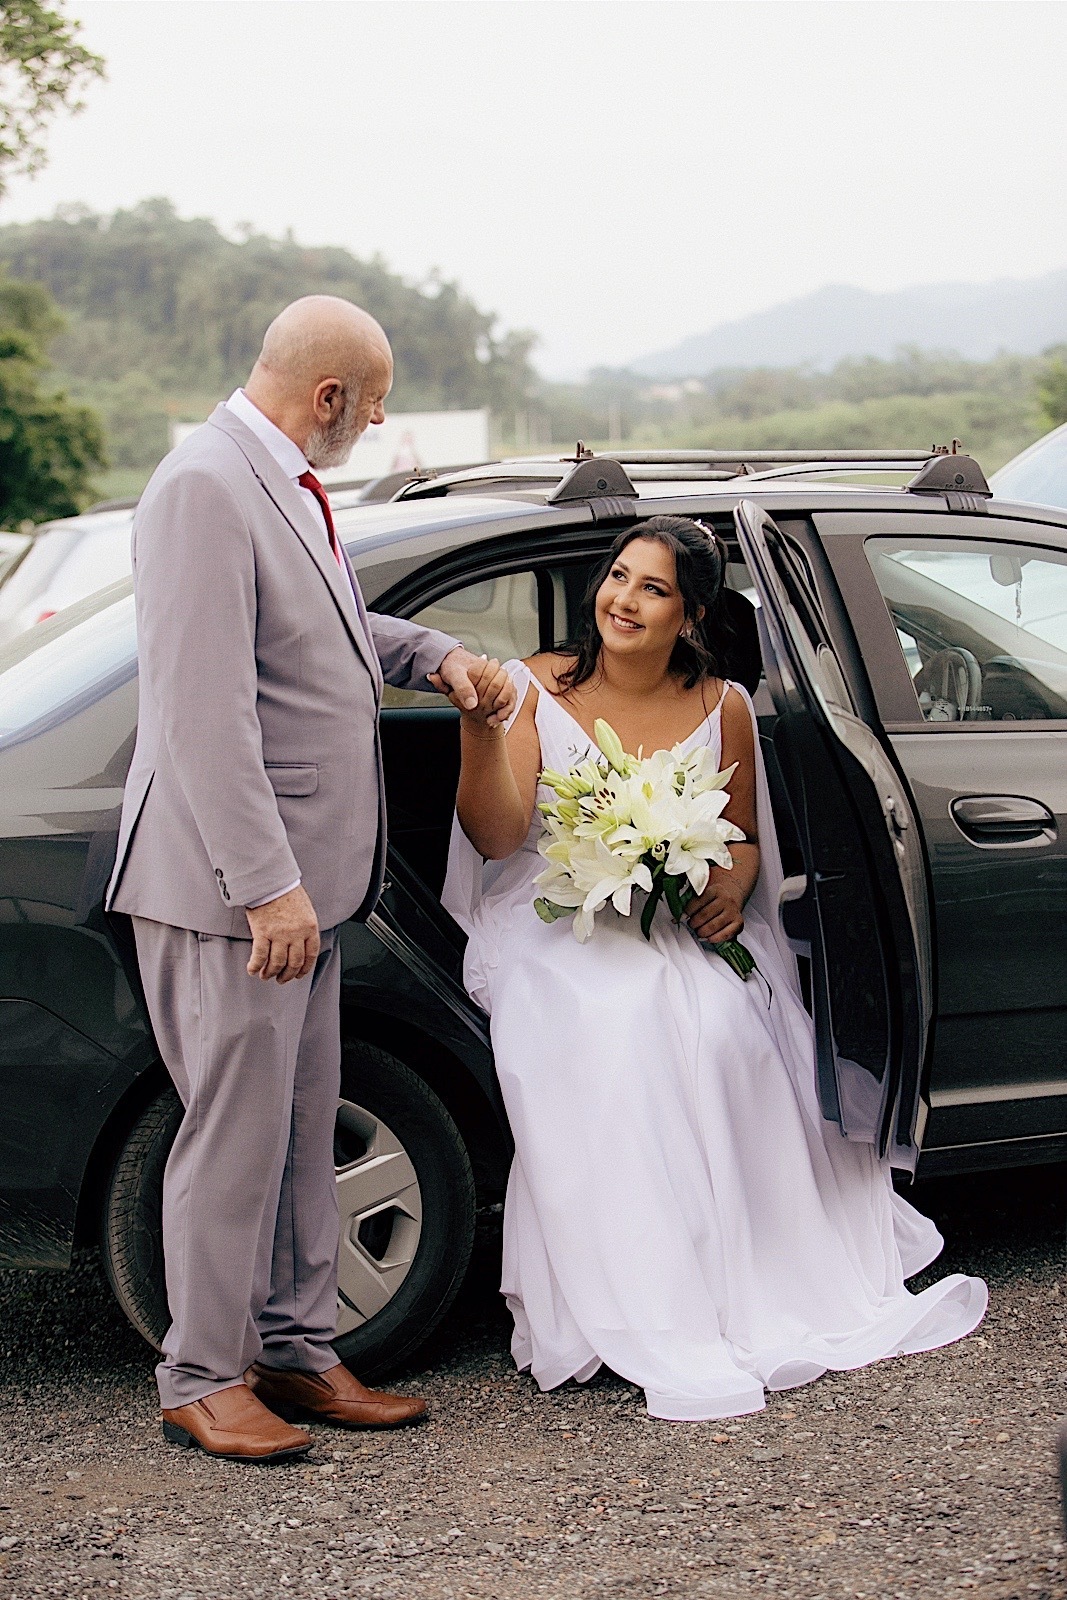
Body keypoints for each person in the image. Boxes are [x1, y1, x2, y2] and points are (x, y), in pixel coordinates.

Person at [440, 515, 986, 1422]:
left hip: (669, 922)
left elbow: (736, 843)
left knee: (731, 1024)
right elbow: (497, 835)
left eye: (651, 589)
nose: (622, 600)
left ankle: (744, 1272)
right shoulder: (541, 684)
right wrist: (480, 729)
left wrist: (727, 895)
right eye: (618, 578)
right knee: (618, 1026)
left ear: (689, 615)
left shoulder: (721, 706)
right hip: (555, 917)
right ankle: (640, 1292)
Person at [107, 295, 515, 1462]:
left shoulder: (279, 478)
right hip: (234, 895)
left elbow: (319, 637)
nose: (377, 419)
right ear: (328, 395)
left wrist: (428, 651)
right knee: (231, 1136)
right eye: (372, 400)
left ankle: (295, 1345)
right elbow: (201, 712)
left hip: (309, 889)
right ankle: (200, 1374)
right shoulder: (202, 484)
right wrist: (265, 885)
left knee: (297, 1130)